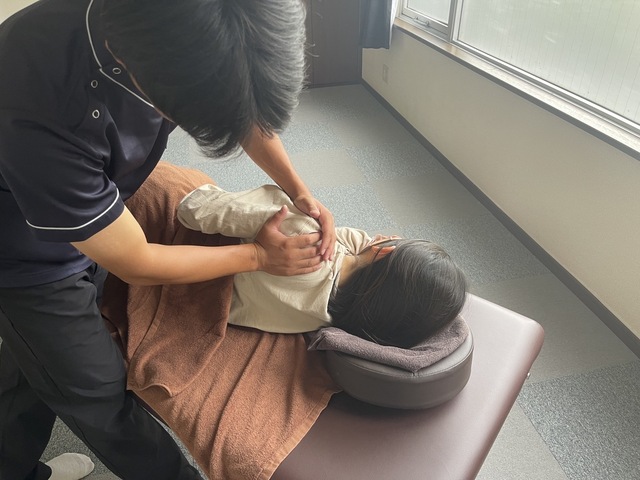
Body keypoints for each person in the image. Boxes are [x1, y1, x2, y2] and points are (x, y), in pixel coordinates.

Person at [0, 1, 336, 479]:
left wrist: (298, 189)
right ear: (134, 63)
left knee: (31, 361)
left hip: (84, 200)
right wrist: (258, 256)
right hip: (22, 253)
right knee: (99, 394)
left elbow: (240, 105)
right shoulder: (39, 101)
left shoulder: (177, 30)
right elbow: (135, 260)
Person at [178, 184, 468, 349]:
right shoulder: (336, 315)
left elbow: (192, 210)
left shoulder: (302, 233)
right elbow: (353, 243)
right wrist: (370, 253)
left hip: (192, 255)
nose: (386, 234)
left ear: (384, 253)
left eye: (395, 239)